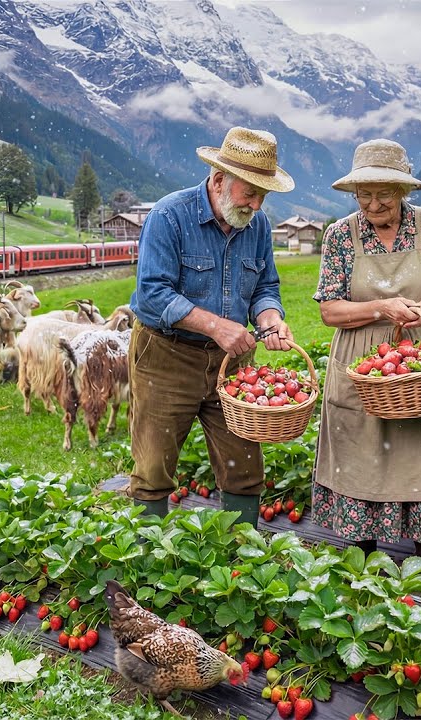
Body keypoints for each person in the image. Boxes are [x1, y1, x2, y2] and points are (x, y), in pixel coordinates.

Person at [312, 139, 421, 587]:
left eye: (384, 194)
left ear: (403, 190)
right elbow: (329, 311)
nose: (373, 204)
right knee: (361, 450)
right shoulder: (340, 235)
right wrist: (381, 308)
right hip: (361, 360)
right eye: (364, 194)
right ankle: (362, 558)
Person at [126, 127, 295, 525]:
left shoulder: (257, 225)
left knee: (244, 465)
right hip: (166, 357)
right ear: (219, 180)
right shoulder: (169, 216)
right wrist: (217, 326)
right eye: (249, 193)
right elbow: (151, 294)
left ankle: (241, 552)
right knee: (154, 466)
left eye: (262, 195)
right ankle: (146, 554)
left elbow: (265, 286)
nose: (256, 204)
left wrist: (270, 318)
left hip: (230, 362)